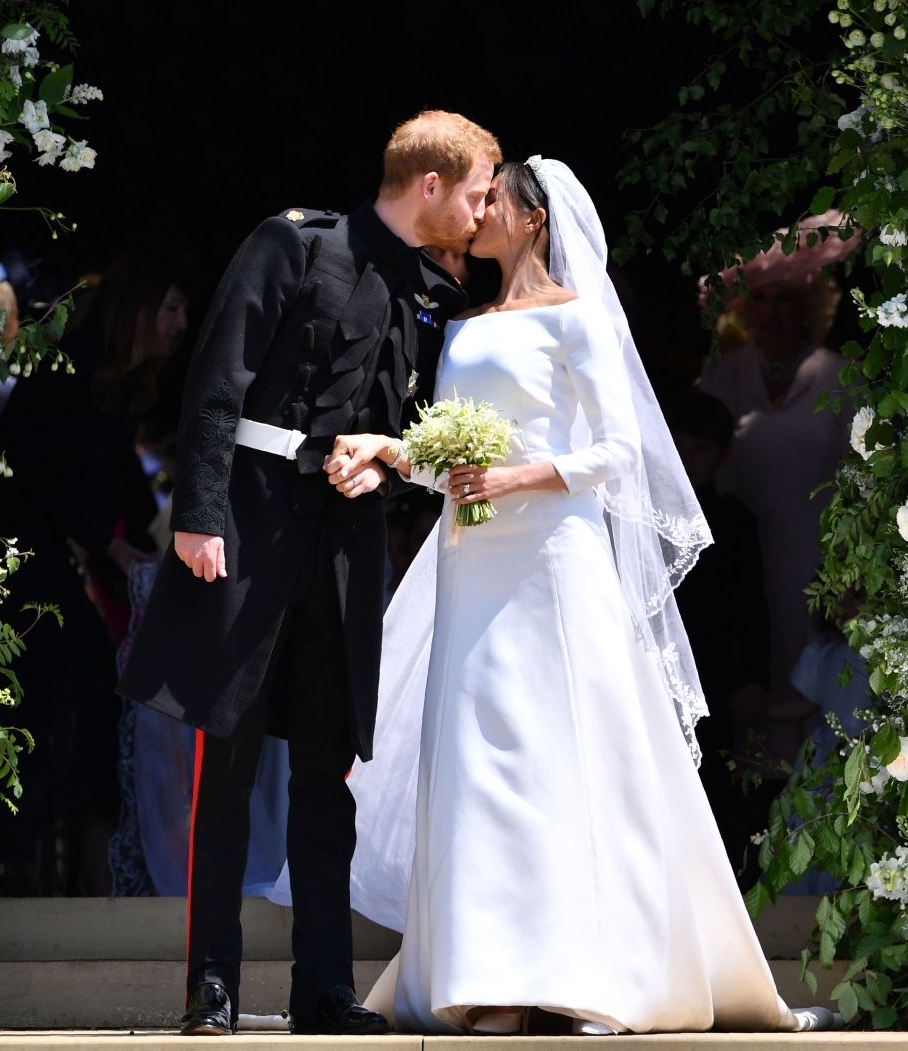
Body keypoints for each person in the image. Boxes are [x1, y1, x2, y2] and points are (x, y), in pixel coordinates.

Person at [323, 158, 832, 1035]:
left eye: (492, 201)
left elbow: (621, 451)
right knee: (479, 756)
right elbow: (451, 450)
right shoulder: (467, 321)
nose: (477, 213)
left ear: (532, 218)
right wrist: (392, 448)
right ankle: (488, 974)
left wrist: (516, 473)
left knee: (558, 752)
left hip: (551, 558)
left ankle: (577, 968)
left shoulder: (580, 316)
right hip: (471, 558)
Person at [117, 111, 501, 1037]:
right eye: (480, 191)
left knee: (331, 771)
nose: (484, 214)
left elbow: (420, 422)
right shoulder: (294, 242)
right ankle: (209, 983)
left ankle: (323, 987)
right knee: (232, 761)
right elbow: (218, 375)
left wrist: (388, 458)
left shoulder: (433, 293)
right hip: (249, 528)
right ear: (432, 185)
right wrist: (199, 517)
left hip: (346, 546)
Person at [0, 248, 190, 897]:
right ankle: (23, 864)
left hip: (58, 573)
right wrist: (116, 549)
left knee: (89, 702)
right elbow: (46, 478)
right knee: (59, 702)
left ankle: (82, 869)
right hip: (23, 571)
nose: (182, 325)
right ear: (140, 310)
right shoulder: (65, 378)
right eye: (173, 308)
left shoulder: (108, 392)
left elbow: (128, 497)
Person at [697, 214, 857, 746]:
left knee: (809, 678)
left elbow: (859, 477)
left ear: (809, 305)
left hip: (818, 554)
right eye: (760, 300)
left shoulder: (839, 376)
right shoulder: (721, 378)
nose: (771, 312)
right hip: (739, 555)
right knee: (747, 666)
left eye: (784, 299)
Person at [664, 388, 773, 886]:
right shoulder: (640, 523)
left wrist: (752, 681)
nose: (688, 462)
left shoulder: (733, 520)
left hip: (713, 674)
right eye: (679, 448)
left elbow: (752, 610)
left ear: (722, 452)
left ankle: (712, 889)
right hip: (652, 667)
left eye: (701, 449)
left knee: (712, 781)